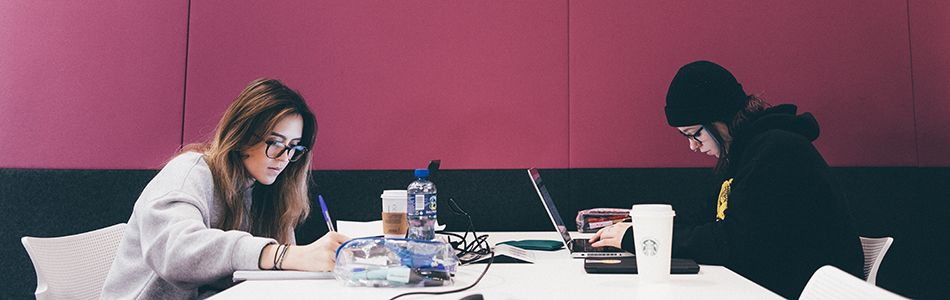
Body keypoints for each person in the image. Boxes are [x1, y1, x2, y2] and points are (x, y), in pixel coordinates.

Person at [590, 61, 864, 299]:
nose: (693, 147)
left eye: (694, 134)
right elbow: (706, 218)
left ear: (719, 117)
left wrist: (640, 240)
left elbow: (732, 243)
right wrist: (641, 230)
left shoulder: (775, 152)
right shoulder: (750, 152)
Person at [100, 79, 350, 299]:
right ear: (241, 133)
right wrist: (281, 255)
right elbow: (174, 251)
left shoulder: (271, 194)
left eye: (294, 147)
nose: (284, 157)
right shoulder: (190, 171)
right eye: (274, 142)